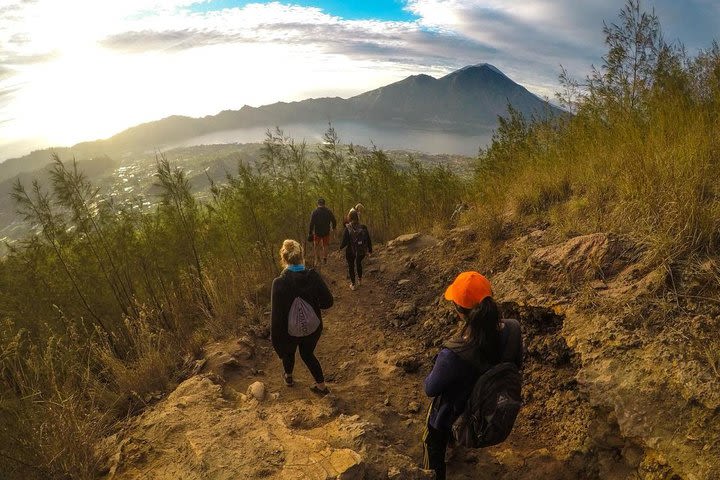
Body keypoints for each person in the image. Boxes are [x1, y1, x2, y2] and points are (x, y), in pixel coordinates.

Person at [422, 271, 523, 479]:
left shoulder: (453, 353)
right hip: (489, 406)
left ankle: (433, 472)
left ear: (459, 311)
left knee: (431, 438)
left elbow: (430, 389)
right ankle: (455, 439)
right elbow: (516, 364)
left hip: (456, 416)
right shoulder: (513, 329)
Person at [270, 239, 333, 395]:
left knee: (289, 352)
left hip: (289, 332)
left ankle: (289, 378)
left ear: (283, 259)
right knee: (307, 354)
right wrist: (312, 306)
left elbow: (276, 319)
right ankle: (321, 387)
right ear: (301, 256)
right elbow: (328, 302)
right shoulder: (313, 276)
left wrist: (278, 345)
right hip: (313, 328)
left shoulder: (278, 283)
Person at [339, 210, 372, 291]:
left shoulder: (348, 228)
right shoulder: (363, 227)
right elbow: (368, 239)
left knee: (351, 266)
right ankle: (360, 280)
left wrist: (340, 248)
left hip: (350, 251)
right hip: (361, 250)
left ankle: (353, 284)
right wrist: (370, 250)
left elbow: (344, 242)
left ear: (350, 217)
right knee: (358, 263)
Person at [308, 198, 337, 266]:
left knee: (316, 245)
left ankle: (318, 259)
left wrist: (310, 232)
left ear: (318, 204)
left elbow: (311, 223)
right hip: (326, 231)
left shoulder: (315, 212)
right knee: (325, 245)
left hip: (317, 232)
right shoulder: (328, 211)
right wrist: (333, 227)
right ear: (324, 204)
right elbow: (334, 220)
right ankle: (325, 259)